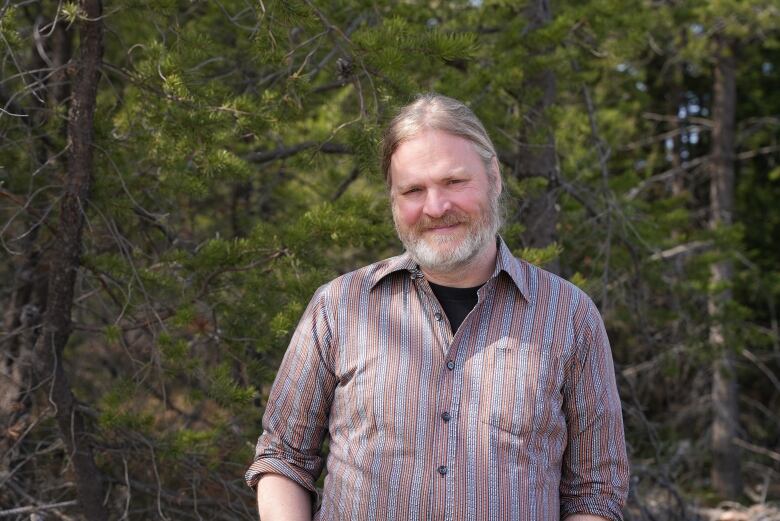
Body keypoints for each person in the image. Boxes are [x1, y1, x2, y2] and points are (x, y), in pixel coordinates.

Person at [245, 93, 630, 520]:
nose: (435, 207)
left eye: (453, 182)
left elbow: (596, 490)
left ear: (494, 177)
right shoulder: (338, 307)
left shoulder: (569, 317)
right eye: (413, 190)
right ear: (394, 199)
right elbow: (283, 458)